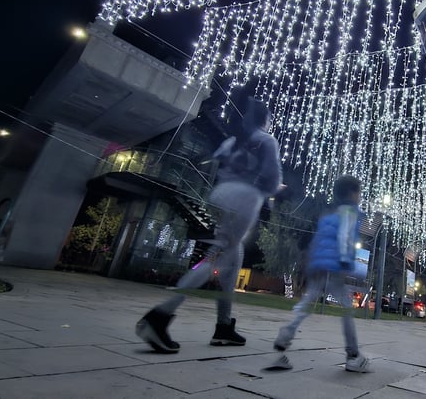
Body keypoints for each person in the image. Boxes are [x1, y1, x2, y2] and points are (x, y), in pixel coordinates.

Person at [135, 97, 282, 353]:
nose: (270, 123)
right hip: (245, 198)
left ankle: (223, 326)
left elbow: (218, 163)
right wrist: (275, 189)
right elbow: (271, 180)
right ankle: (159, 316)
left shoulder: (232, 140)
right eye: (269, 119)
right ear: (264, 119)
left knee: (233, 258)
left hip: (220, 194)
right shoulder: (266, 140)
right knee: (218, 256)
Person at [265, 175, 370, 373]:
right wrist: (346, 262)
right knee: (347, 308)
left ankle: (286, 333)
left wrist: (312, 263)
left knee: (307, 302)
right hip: (335, 265)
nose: (360, 197)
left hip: (319, 264)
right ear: (351, 193)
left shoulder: (328, 212)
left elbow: (319, 239)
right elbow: (344, 237)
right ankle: (353, 355)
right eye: (359, 193)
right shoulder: (350, 212)